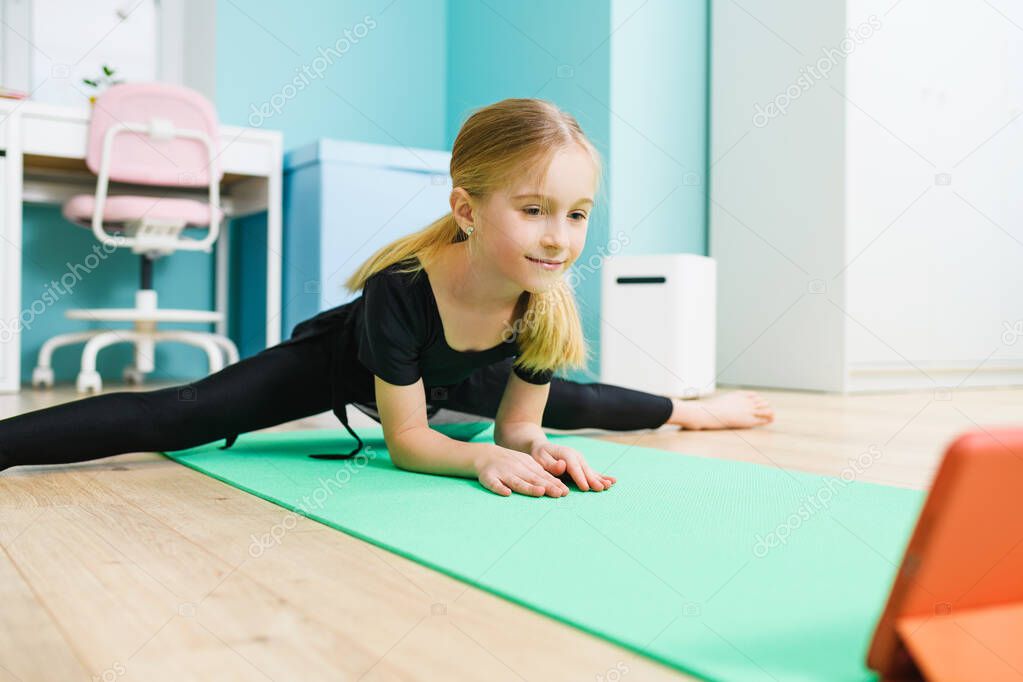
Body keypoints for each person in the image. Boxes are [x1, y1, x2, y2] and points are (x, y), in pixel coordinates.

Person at [0, 98, 773, 496]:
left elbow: (518, 426)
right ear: (467, 210)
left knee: (576, 400)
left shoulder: (541, 298)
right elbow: (406, 445)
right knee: (183, 418)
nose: (557, 238)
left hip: (445, 374)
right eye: (533, 210)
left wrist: (532, 448)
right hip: (339, 365)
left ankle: (689, 409)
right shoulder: (399, 291)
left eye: (576, 216)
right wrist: (476, 466)